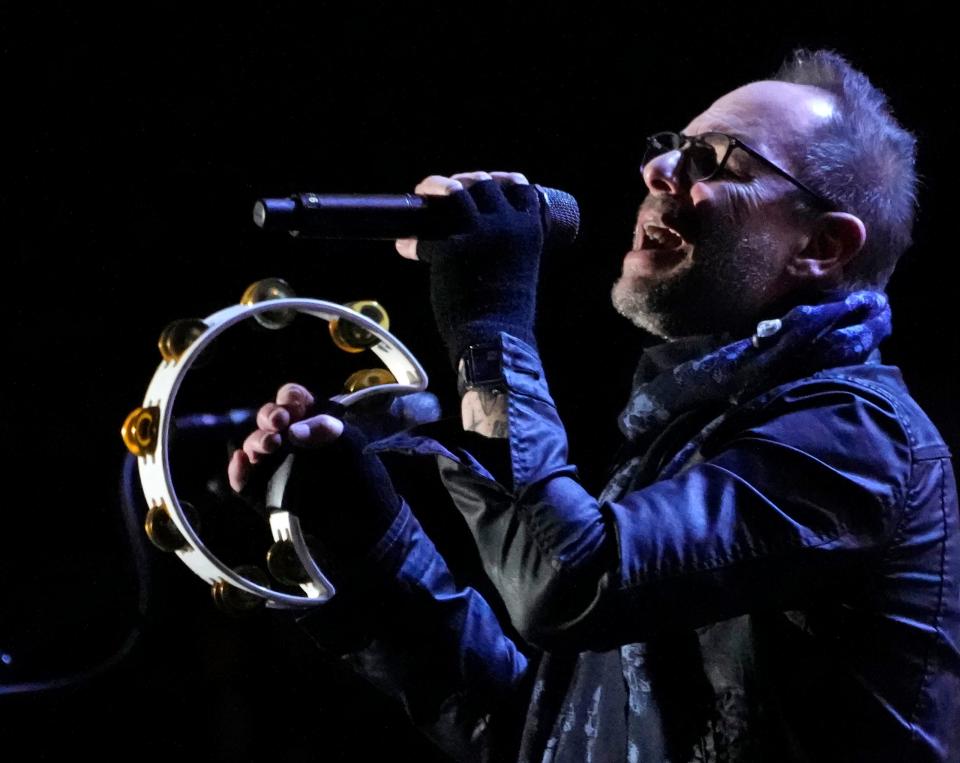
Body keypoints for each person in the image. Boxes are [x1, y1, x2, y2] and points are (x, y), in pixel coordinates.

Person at [227, 49, 960, 762]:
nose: (658, 169)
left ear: (823, 244)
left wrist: (488, 322)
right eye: (673, 145)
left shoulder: (863, 437)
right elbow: (536, 734)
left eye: (714, 158)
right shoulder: (685, 431)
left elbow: (570, 581)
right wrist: (364, 538)